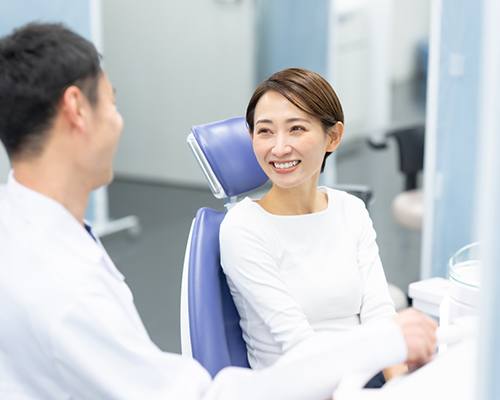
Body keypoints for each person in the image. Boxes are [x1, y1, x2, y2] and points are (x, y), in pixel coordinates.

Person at [0, 23, 436, 399]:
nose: (119, 121)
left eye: (297, 129)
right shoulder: (63, 287)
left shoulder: (29, 232)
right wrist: (378, 346)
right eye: (111, 102)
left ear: (332, 137)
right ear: (78, 109)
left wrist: (387, 354)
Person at [219, 68, 406, 384]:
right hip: (297, 386)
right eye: (265, 131)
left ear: (332, 136)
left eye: (296, 129)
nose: (278, 148)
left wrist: (401, 385)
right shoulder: (243, 227)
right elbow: (299, 346)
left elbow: (378, 313)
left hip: (361, 379)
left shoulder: (350, 210)